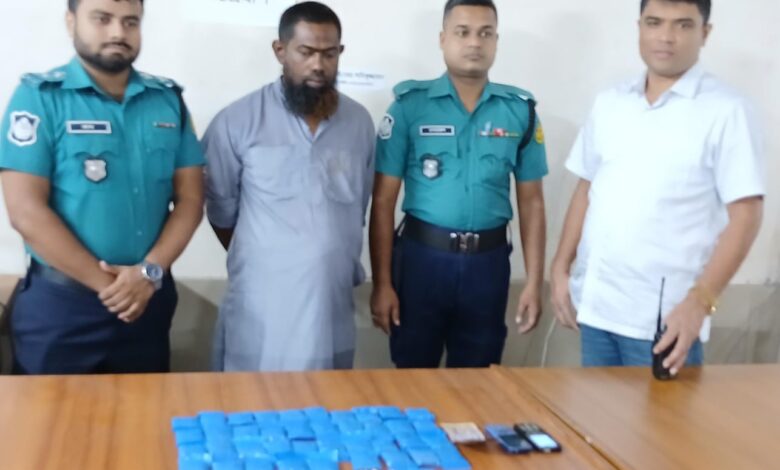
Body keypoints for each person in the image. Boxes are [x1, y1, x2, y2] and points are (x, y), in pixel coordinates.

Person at [550, 0, 764, 374]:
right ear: (640, 27)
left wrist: (700, 303)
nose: (666, 36)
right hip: (597, 309)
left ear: (705, 33)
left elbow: (747, 215)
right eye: (654, 22)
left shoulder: (726, 110)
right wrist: (559, 268)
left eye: (683, 25)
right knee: (594, 412)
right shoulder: (611, 103)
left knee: (662, 415)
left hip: (665, 322)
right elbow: (587, 188)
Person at [0, 0, 205, 374]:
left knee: (145, 410)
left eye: (130, 22)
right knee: (50, 412)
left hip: (148, 301)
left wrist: (147, 275)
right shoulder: (40, 97)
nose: (117, 32)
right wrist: (116, 289)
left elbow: (191, 199)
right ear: (71, 22)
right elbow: (25, 211)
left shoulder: (167, 101)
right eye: (102, 19)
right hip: (62, 308)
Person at [369, 0, 548, 368]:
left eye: (485, 33)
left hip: (488, 266)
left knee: (478, 379)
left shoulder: (519, 111)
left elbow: (532, 202)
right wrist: (382, 283)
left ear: (496, 40)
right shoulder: (409, 107)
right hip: (422, 263)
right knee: (413, 377)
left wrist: (534, 281)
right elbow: (383, 201)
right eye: (462, 32)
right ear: (442, 39)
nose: (474, 43)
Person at [203, 2, 375, 371]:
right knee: (254, 398)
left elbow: (357, 207)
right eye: (306, 52)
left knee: (327, 399)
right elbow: (220, 212)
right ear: (280, 51)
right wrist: (273, 257)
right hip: (263, 306)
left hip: (332, 304)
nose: (318, 65)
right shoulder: (237, 121)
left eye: (329, 54)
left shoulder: (359, 123)